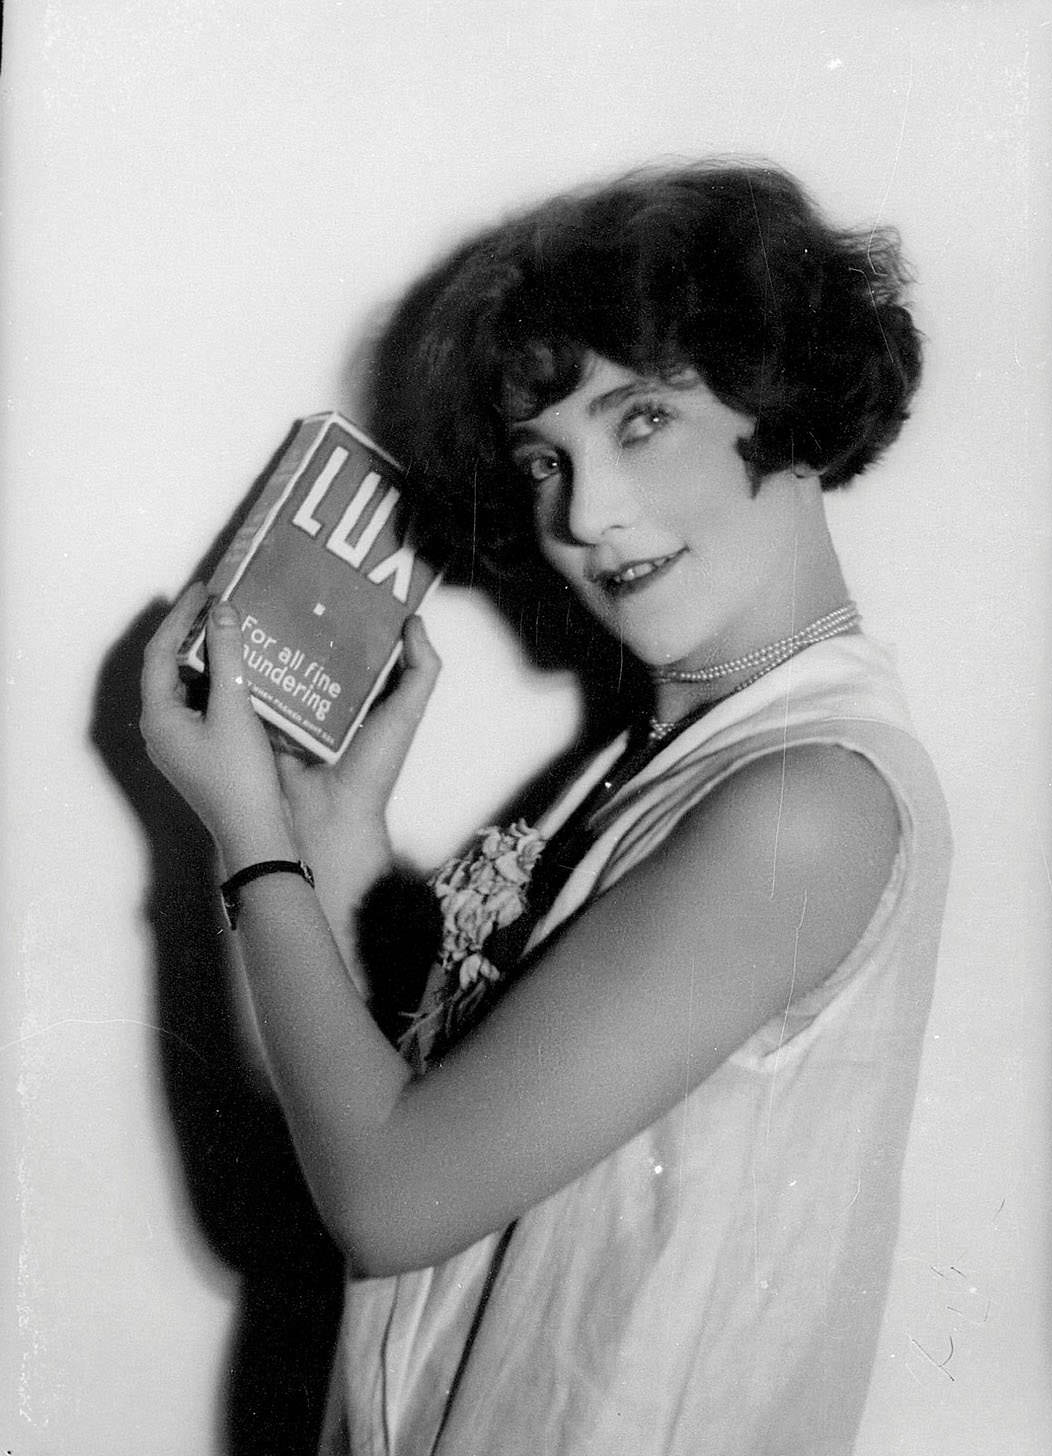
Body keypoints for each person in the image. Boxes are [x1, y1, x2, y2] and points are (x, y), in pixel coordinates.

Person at [140, 160, 952, 1455]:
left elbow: (389, 1197)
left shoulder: (802, 802)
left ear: (782, 385)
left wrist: (250, 847)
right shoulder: (663, 758)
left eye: (637, 422)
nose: (585, 512)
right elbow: (336, 1107)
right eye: (541, 457)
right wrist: (324, 842)